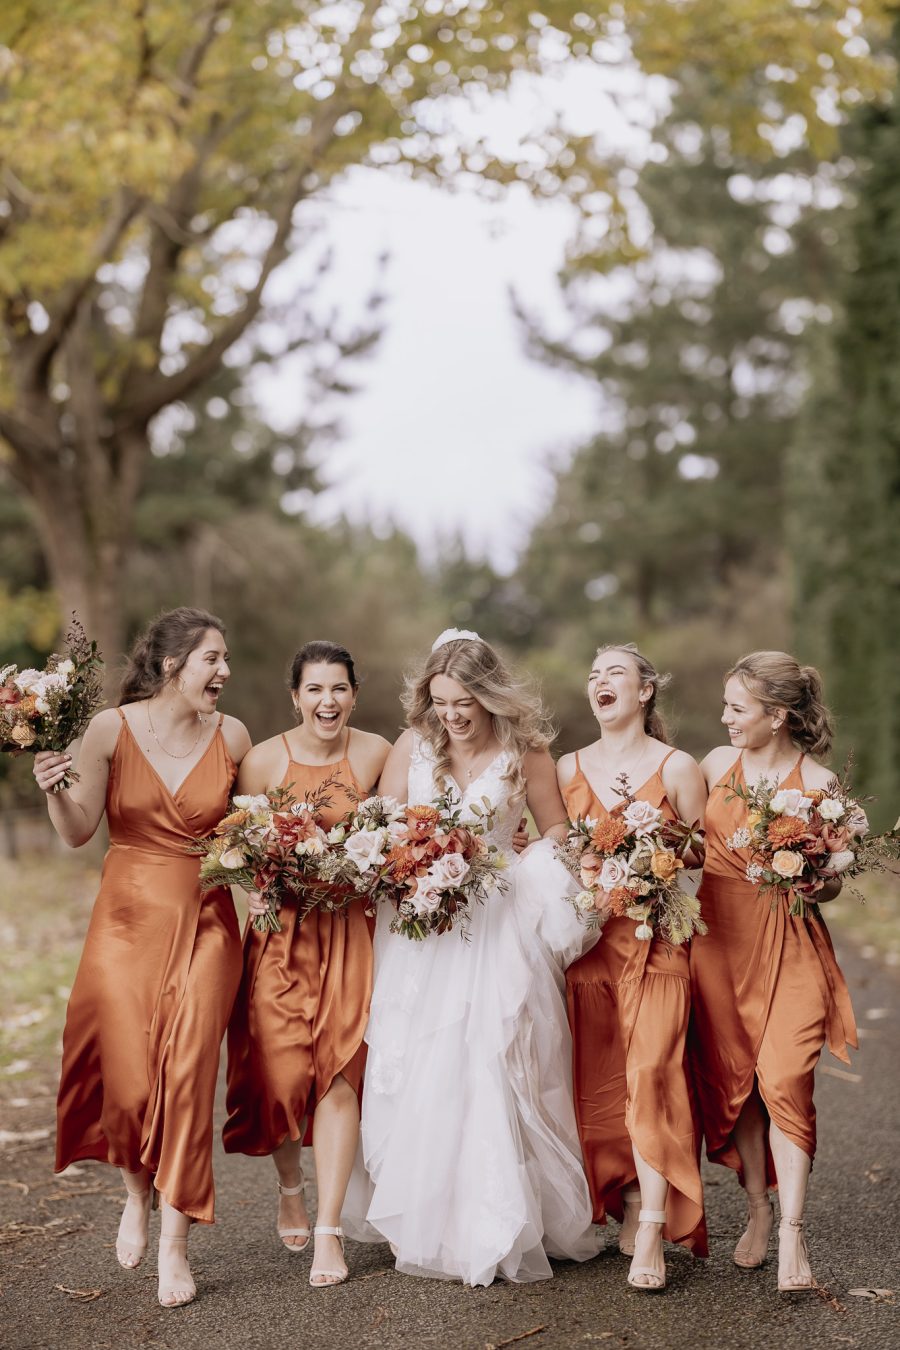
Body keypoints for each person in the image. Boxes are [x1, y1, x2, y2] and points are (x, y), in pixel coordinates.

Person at [343, 629, 601, 1286]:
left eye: (464, 702)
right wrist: (410, 869)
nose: (453, 715)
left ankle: (503, 1223)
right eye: (441, 702)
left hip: (497, 923)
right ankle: (432, 1221)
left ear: (489, 695)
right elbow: (387, 825)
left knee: (497, 1056)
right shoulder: (412, 746)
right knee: (424, 1060)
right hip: (422, 931)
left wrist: (538, 871)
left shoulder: (527, 753)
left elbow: (555, 833)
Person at [33, 608, 251, 1308]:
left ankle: (176, 1245)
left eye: (224, 659)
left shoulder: (235, 736)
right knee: (127, 1076)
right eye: (211, 658)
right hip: (124, 917)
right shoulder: (110, 730)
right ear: (170, 665)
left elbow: (253, 840)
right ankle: (135, 1194)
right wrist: (52, 791)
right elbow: (77, 831)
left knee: (188, 1070)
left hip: (208, 918)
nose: (223, 671)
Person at [690, 651, 858, 1292]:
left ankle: (793, 1231)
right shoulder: (711, 767)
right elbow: (681, 845)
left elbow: (835, 883)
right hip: (717, 945)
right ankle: (758, 1206)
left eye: (737, 708)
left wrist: (817, 881)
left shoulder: (818, 784)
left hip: (788, 940)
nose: (725, 718)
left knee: (785, 1076)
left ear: (777, 714)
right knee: (738, 1079)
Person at [223, 640, 390, 1287]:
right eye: (315, 689)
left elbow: (402, 830)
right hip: (282, 937)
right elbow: (237, 855)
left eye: (339, 689)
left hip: (352, 932)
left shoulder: (377, 754)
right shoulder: (263, 761)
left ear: (354, 694)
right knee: (282, 1074)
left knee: (341, 1075)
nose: (328, 701)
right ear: (296, 696)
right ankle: (290, 1182)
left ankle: (329, 1230)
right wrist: (267, 883)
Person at [558, 644, 708, 1292]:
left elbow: (705, 854)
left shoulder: (678, 767)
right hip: (589, 946)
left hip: (657, 943)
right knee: (597, 1086)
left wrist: (654, 858)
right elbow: (548, 852)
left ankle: (651, 1224)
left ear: (646, 690)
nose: (600, 682)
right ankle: (619, 1198)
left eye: (614, 672)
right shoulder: (566, 766)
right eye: (593, 674)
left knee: (650, 1072)